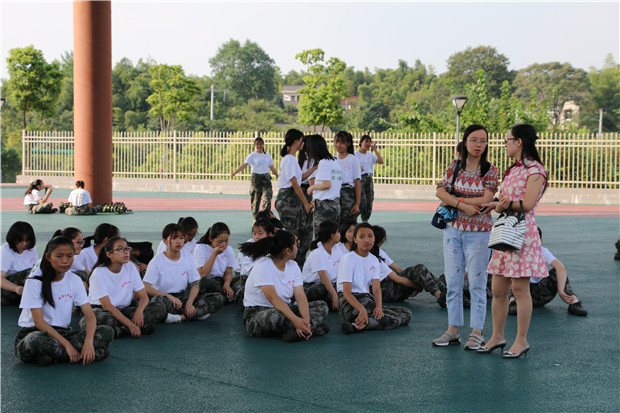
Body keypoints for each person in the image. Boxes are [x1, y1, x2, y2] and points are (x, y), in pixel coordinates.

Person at [478, 124, 548, 358]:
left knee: (519, 289)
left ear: (519, 142)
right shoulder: (512, 170)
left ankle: (521, 341)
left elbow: (527, 204)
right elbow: (504, 199)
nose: (505, 144)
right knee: (498, 288)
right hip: (505, 230)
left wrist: (501, 206)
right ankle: (497, 336)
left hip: (522, 232)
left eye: (507, 140)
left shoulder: (535, 170)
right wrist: (495, 204)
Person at [433, 125, 499, 350]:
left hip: (479, 234)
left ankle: (477, 332)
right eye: (474, 140)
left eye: (483, 140)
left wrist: (454, 198)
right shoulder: (454, 166)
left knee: (477, 283)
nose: (478, 144)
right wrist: (463, 205)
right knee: (453, 281)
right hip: (452, 231)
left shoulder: (490, 170)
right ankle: (453, 330)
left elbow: (487, 198)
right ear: (465, 141)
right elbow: (439, 191)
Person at [14, 236, 114, 366]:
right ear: (48, 257)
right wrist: (68, 346)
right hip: (35, 333)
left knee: (107, 331)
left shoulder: (75, 280)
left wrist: (88, 343)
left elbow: (90, 317)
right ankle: (82, 355)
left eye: (70, 256)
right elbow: (39, 322)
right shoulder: (34, 281)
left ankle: (53, 357)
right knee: (35, 340)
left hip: (62, 333)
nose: (65, 261)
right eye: (59, 256)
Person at [241, 230, 329, 342]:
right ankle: (305, 329)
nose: (298, 247)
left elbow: (300, 296)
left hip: (285, 309)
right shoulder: (263, 267)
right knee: (276, 316)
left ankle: (302, 330)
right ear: (288, 250)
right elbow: (273, 298)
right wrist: (296, 320)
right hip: (258, 314)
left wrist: (306, 321)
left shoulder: (294, 266)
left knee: (322, 306)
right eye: (295, 244)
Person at [82, 237, 166, 338]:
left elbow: (144, 297)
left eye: (127, 248)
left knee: (160, 306)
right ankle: (129, 328)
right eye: (120, 249)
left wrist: (139, 312)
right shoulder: (99, 273)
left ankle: (119, 330)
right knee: (96, 315)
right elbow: (107, 306)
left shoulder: (131, 267)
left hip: (125, 309)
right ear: (109, 254)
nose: (126, 252)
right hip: (104, 311)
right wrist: (130, 325)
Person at [337, 223, 411, 334]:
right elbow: (346, 293)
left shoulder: (374, 260)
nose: (367, 240)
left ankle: (359, 325)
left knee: (406, 313)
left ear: (374, 238)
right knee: (393, 320)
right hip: (350, 302)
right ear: (355, 240)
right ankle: (362, 321)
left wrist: (379, 307)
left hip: (367, 300)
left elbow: (376, 289)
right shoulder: (348, 259)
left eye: (370, 236)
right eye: (362, 237)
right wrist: (362, 309)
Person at [144, 224, 223, 324]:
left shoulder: (188, 257)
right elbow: (146, 286)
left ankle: (180, 317)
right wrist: (170, 297)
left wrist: (189, 303)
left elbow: (195, 283)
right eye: (174, 238)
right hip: (165, 299)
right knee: (158, 304)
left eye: (181, 238)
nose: (178, 241)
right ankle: (196, 313)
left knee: (217, 298)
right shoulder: (157, 261)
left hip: (183, 299)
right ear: (164, 241)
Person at [508, 227, 587, 317]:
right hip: (521, 293)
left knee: (556, 272)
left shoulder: (543, 251)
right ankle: (513, 301)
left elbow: (560, 268)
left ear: (540, 241)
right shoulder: (516, 251)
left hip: (540, 293)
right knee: (511, 272)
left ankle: (573, 301)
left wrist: (561, 291)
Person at [371, 225, 446, 306]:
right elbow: (398, 279)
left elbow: (398, 270)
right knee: (420, 269)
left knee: (421, 273)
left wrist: (419, 279)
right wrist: (419, 286)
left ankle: (443, 290)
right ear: (382, 240)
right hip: (386, 292)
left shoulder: (378, 251)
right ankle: (439, 295)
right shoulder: (373, 257)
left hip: (386, 290)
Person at [275, 129, 314, 267]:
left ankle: (293, 266)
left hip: (290, 198)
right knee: (291, 235)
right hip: (288, 199)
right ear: (296, 141)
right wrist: (306, 203)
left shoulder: (290, 159)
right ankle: (286, 265)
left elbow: (300, 178)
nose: (303, 143)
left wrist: (314, 167)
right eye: (302, 140)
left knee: (296, 233)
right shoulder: (290, 159)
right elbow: (295, 183)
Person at [231, 137, 279, 219]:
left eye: (261, 144)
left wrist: (278, 176)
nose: (259, 146)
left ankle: (266, 218)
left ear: (263, 145)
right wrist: (235, 172)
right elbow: (244, 165)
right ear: (254, 145)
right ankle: (255, 219)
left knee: (267, 198)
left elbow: (272, 167)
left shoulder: (267, 155)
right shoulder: (252, 155)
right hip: (256, 179)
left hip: (266, 179)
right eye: (257, 144)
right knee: (256, 200)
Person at [232, 219, 275, 309]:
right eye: (254, 234)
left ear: (270, 234)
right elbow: (259, 274)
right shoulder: (248, 251)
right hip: (251, 288)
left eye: (260, 233)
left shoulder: (275, 249)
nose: (256, 237)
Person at [306, 134, 342, 237]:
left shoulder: (323, 163)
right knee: (333, 238)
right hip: (335, 205)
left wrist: (311, 188)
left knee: (321, 239)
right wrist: (316, 196)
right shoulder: (335, 161)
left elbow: (327, 184)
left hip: (324, 207)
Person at [302, 220, 341, 311]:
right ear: (332, 236)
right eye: (338, 232)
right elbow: (323, 277)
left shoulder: (336, 249)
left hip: (331, 285)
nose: (340, 235)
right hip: (312, 286)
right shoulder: (317, 253)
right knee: (320, 289)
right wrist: (334, 295)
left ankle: (333, 303)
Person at [194, 222, 236, 303]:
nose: (224, 244)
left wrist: (227, 284)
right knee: (204, 280)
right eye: (220, 241)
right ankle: (225, 297)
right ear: (211, 239)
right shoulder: (200, 248)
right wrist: (215, 254)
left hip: (220, 281)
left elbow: (228, 272)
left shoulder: (228, 248)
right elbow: (202, 274)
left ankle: (222, 296)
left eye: (226, 240)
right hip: (206, 280)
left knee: (241, 281)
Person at [1, 221, 39, 305]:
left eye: (27, 240)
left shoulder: (31, 248)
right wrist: (16, 288)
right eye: (20, 241)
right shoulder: (5, 251)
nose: (24, 244)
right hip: (6, 291)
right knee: (30, 273)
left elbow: (36, 269)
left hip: (23, 288)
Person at [334, 131, 361, 224]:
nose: (338, 145)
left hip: (348, 194)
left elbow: (357, 182)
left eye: (341, 143)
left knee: (348, 223)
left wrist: (357, 204)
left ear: (348, 144)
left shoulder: (353, 159)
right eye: (336, 142)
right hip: (335, 193)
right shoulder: (333, 159)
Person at [355, 135, 384, 222]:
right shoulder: (355, 154)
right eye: (366, 142)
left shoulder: (370, 155)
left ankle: (365, 220)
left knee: (369, 199)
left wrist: (375, 149)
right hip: (360, 179)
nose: (368, 144)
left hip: (368, 178)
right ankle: (353, 218)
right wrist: (357, 168)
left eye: (370, 142)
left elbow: (381, 161)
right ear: (361, 143)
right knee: (362, 200)